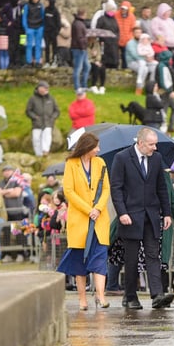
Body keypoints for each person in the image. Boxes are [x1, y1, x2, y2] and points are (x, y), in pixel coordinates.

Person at [110, 127, 174, 310]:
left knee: (153, 255)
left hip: (151, 216)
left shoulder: (157, 159)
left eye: (155, 144)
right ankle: (130, 296)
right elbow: (116, 188)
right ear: (140, 143)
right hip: (130, 216)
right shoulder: (122, 158)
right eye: (151, 144)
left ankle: (157, 295)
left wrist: (167, 213)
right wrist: (122, 212)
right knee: (130, 258)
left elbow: (162, 188)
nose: (155, 148)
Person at [58, 132, 111, 310]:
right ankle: (82, 299)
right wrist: (89, 210)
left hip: (99, 219)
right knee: (79, 260)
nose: (99, 149)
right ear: (87, 147)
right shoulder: (71, 164)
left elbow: (106, 189)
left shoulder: (100, 163)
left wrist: (98, 208)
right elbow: (69, 191)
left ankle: (101, 296)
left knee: (100, 258)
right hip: (80, 219)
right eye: (96, 146)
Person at [25, 81, 60, 157]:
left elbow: (57, 110)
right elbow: (28, 111)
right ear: (39, 88)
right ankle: (38, 155)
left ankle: (45, 152)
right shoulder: (32, 99)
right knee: (36, 139)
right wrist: (35, 117)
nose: (46, 89)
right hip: (37, 123)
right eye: (45, 88)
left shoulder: (51, 98)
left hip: (48, 122)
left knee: (47, 137)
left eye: (47, 88)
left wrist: (53, 117)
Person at [126, 27, 157, 95]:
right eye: (137, 33)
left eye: (140, 32)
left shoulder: (144, 41)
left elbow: (150, 51)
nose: (139, 34)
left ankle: (151, 87)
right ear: (133, 34)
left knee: (155, 67)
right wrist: (147, 58)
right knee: (144, 69)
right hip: (133, 62)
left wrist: (151, 57)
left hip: (145, 62)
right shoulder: (130, 43)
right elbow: (134, 55)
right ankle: (139, 87)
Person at [22, 0, 45, 68]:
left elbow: (43, 16)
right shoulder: (27, 6)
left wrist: (42, 27)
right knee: (29, 45)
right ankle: (29, 61)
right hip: (30, 27)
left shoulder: (41, 6)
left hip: (39, 27)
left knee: (38, 45)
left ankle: (37, 61)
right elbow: (24, 17)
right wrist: (26, 28)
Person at [71, 8, 90, 90]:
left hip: (82, 48)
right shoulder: (78, 24)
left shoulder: (80, 23)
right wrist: (83, 46)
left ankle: (83, 85)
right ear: (83, 14)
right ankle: (77, 87)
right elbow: (79, 37)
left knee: (87, 66)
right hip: (79, 48)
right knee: (78, 68)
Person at [114, 0, 136, 69]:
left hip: (127, 40)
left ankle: (125, 69)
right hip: (117, 39)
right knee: (116, 55)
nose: (123, 10)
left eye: (125, 9)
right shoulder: (115, 15)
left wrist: (130, 37)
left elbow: (133, 28)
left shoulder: (132, 17)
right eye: (122, 8)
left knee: (125, 56)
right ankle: (115, 68)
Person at [43, 0, 61, 68]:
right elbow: (44, 20)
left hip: (53, 32)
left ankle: (54, 61)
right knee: (47, 47)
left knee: (54, 48)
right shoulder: (46, 10)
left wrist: (56, 32)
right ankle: (47, 61)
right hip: (46, 32)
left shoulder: (56, 11)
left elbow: (58, 23)